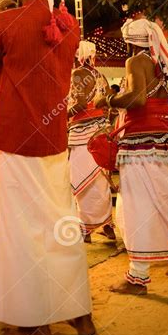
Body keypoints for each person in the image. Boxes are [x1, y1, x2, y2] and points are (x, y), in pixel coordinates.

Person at [0, 0, 94, 335]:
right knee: (61, 223)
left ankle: (33, 323)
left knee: (21, 230)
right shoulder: (69, 25)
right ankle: (79, 314)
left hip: (17, 136)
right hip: (55, 140)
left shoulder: (6, 21)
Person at [95, 17, 168, 294]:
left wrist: (110, 101)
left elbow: (137, 100)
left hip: (140, 144)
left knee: (137, 205)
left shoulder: (136, 62)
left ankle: (138, 277)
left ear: (130, 42)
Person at [68, 40, 116, 243]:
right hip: (99, 132)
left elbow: (79, 104)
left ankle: (86, 228)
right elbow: (106, 106)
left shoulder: (77, 74)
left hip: (82, 134)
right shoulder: (101, 76)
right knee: (99, 179)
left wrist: (63, 116)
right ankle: (106, 225)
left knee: (81, 178)